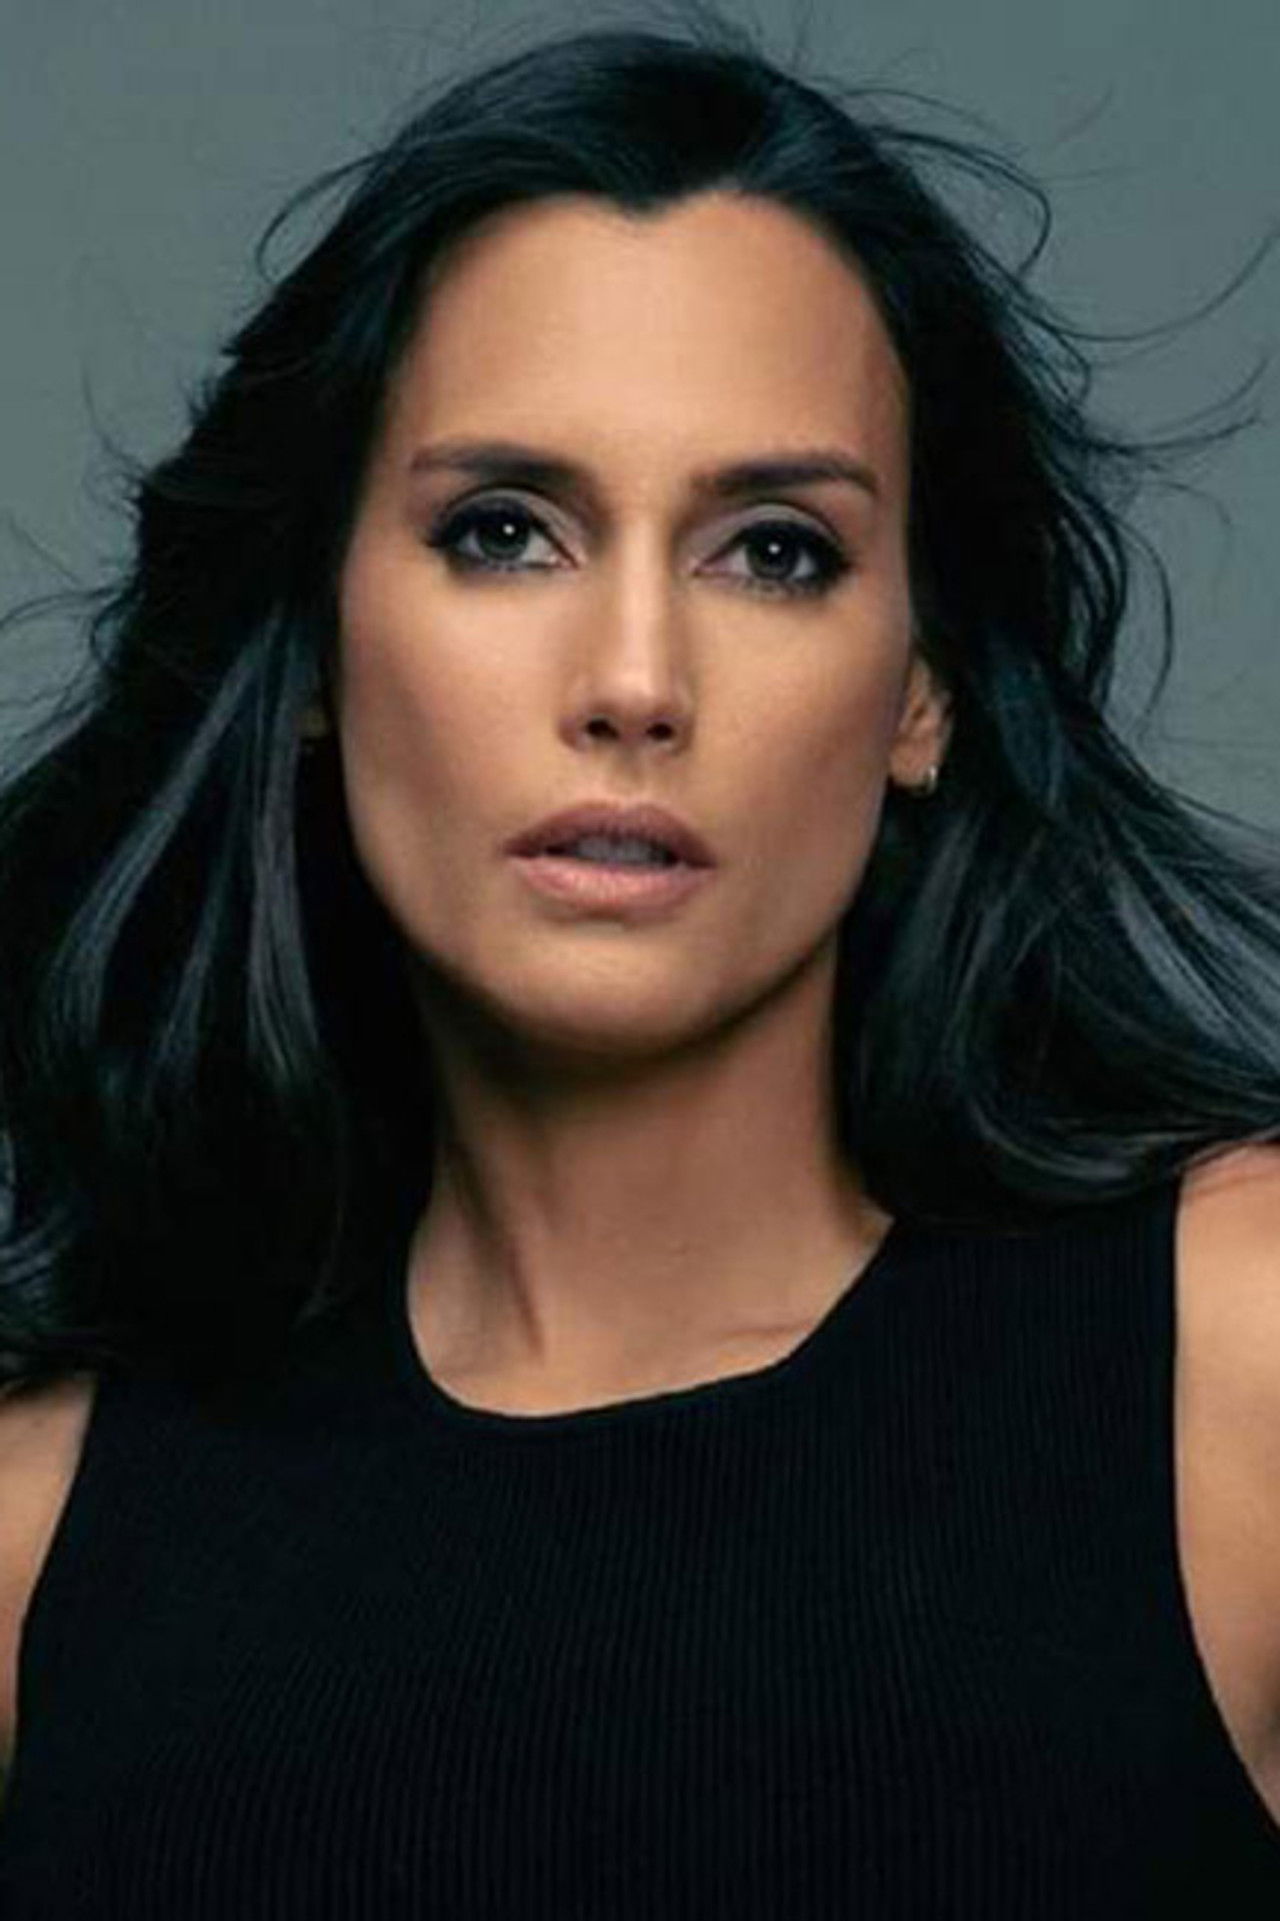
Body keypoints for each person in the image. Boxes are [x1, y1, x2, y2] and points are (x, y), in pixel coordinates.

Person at [1, 13, 1279, 1915]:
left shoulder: (1242, 1359)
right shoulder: (41, 1529)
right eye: (503, 532)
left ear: (922, 688)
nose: (632, 683)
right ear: (317, 649)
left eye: (774, 553)